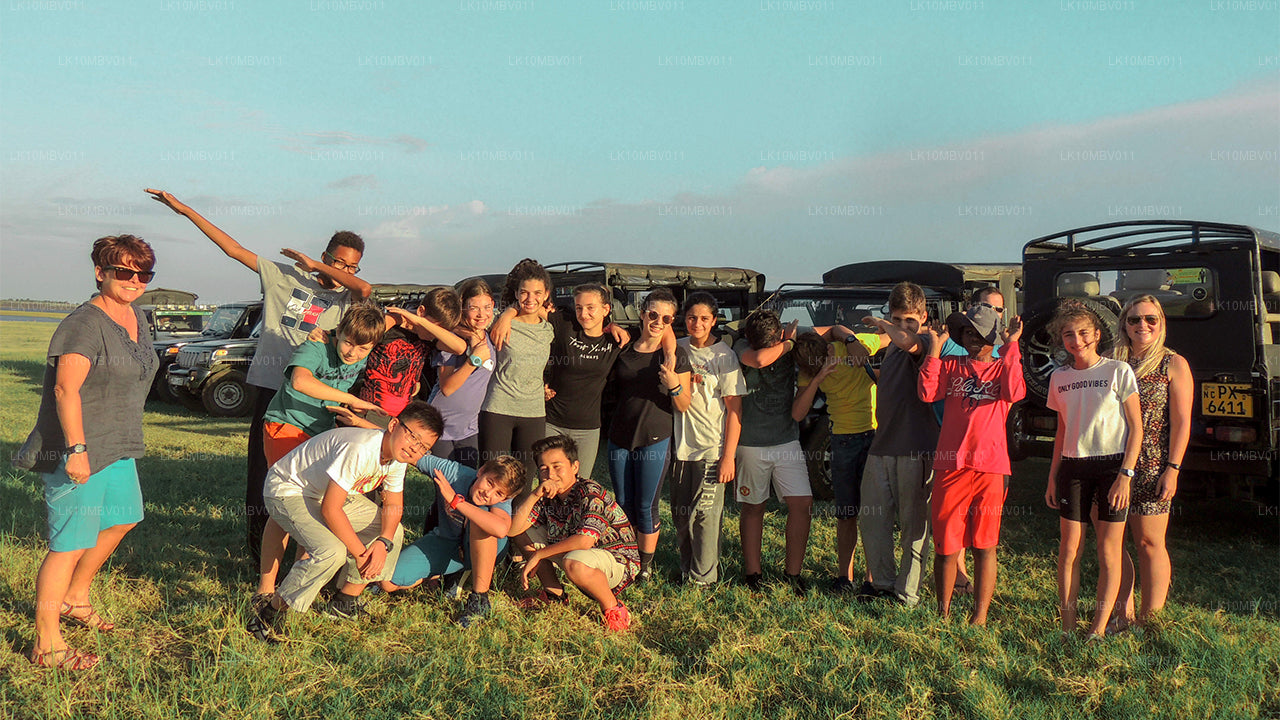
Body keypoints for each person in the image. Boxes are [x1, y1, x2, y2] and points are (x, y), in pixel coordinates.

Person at [146, 189, 372, 566]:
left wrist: (322, 269)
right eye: (339, 263)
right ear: (327, 253)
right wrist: (185, 211)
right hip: (274, 392)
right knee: (265, 478)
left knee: (310, 483)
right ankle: (260, 556)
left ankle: (307, 559)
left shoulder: (348, 297)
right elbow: (233, 250)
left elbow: (365, 290)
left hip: (317, 400)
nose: (345, 273)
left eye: (351, 267)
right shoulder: (283, 275)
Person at [15, 235, 159, 669]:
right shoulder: (84, 323)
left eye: (143, 273)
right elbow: (65, 388)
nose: (134, 281)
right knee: (68, 544)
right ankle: (47, 644)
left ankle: (75, 599)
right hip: (78, 447)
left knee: (123, 518)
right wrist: (77, 450)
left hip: (119, 444)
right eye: (124, 272)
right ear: (101, 272)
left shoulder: (136, 315)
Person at [247, 401, 444, 642]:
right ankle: (267, 616)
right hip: (288, 490)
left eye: (424, 447)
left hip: (321, 494)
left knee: (394, 531)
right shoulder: (361, 448)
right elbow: (331, 510)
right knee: (331, 551)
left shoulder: (396, 457)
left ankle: (344, 602)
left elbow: (393, 505)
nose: (415, 448)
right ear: (393, 425)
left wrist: (383, 542)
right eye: (414, 437)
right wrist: (361, 553)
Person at [254, 304, 387, 599]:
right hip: (287, 426)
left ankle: (301, 583)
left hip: (322, 436)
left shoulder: (363, 346)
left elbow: (392, 318)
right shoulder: (317, 344)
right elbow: (300, 381)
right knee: (285, 507)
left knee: (313, 507)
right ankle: (265, 589)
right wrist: (352, 399)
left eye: (362, 348)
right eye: (348, 343)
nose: (352, 353)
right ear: (338, 331)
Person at [917, 304, 1025, 625]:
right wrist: (935, 350)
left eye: (980, 333)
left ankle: (980, 616)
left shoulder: (1002, 367)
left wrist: (1012, 346)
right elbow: (926, 393)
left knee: (985, 543)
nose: (973, 338)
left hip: (990, 468)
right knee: (946, 544)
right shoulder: (952, 366)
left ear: (994, 335)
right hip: (951, 466)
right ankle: (943, 613)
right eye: (967, 332)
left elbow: (1015, 390)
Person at [1043, 300, 1142, 638]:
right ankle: (1068, 628)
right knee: (1069, 549)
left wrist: (1125, 476)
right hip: (1073, 467)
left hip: (1112, 467)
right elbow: (1061, 431)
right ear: (1061, 340)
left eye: (1083, 332)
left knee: (1108, 549)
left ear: (1097, 334)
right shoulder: (1059, 377)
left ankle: (1098, 629)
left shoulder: (1118, 371)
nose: (1077, 340)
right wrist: (1052, 477)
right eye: (1068, 334)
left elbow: (1136, 428)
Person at [1111, 295, 1191, 630]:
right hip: (1111, 461)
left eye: (1150, 319)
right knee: (1111, 543)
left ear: (1161, 323)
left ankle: (1151, 617)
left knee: (1149, 542)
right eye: (1134, 320)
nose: (1142, 326)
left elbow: (1182, 421)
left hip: (1153, 464)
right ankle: (1122, 611)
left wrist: (1172, 469)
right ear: (1124, 325)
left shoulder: (1173, 364)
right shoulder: (1112, 361)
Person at [857, 282, 940, 605]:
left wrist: (884, 326)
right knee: (873, 521)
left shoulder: (923, 341)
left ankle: (907, 594)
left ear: (923, 317)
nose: (903, 326)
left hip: (916, 449)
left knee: (913, 527)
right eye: (896, 318)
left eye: (910, 319)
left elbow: (909, 343)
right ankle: (882, 584)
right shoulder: (891, 344)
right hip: (882, 445)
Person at [508, 435, 639, 631]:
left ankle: (614, 609)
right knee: (525, 533)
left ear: (575, 467)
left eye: (557, 466)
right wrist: (535, 495)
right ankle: (554, 594)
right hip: (580, 555)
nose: (550, 474)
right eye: (544, 469)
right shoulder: (546, 495)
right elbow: (513, 530)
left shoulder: (590, 492)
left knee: (574, 562)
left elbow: (585, 541)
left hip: (616, 561)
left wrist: (539, 554)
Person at [607, 288, 692, 583]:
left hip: (655, 437)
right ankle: (625, 557)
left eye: (666, 318)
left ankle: (644, 566)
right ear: (643, 314)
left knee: (646, 504)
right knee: (622, 501)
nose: (658, 322)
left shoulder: (674, 356)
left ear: (672, 321)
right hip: (619, 435)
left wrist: (674, 386)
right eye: (653, 314)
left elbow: (683, 404)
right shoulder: (626, 346)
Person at [380, 454, 526, 627]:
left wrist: (455, 501)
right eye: (490, 483)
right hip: (447, 542)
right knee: (387, 583)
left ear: (505, 498)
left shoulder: (499, 503)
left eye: (499, 493)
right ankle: (443, 572)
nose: (489, 493)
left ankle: (479, 600)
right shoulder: (456, 473)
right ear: (481, 472)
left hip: (488, 550)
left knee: (483, 522)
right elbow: (411, 453)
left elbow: (501, 529)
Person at [791, 327, 879, 595]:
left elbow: (889, 336)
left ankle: (872, 580)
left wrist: (851, 340)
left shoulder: (851, 346)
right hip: (842, 440)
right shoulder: (810, 368)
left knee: (872, 513)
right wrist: (818, 378)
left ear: (829, 347)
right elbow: (797, 413)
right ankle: (844, 577)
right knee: (846, 513)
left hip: (873, 434)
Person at [670, 292, 746, 586]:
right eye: (691, 317)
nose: (697, 324)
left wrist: (728, 456)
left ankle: (704, 578)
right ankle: (686, 567)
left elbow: (735, 410)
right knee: (681, 515)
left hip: (711, 448)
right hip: (681, 446)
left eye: (704, 318)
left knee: (705, 517)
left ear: (714, 321)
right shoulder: (678, 348)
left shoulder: (724, 356)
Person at [734, 309, 812, 594]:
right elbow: (759, 359)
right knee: (754, 507)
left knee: (802, 503)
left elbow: (829, 330)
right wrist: (788, 343)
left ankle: (793, 574)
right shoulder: (743, 346)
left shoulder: (788, 339)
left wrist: (846, 334)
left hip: (786, 440)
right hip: (750, 442)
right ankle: (753, 573)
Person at [542, 283, 629, 478]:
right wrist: (505, 316)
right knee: (548, 481)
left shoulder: (616, 341)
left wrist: (613, 326)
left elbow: (659, 332)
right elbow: (529, 307)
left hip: (588, 428)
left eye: (591, 308)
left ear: (605, 309)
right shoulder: (566, 326)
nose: (584, 314)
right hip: (552, 421)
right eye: (579, 307)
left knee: (580, 485)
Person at [481, 259, 554, 483]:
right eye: (524, 292)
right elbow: (462, 320)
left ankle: (516, 519)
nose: (530, 299)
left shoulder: (549, 328)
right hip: (498, 408)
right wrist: (506, 315)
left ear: (546, 294)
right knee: (493, 477)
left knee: (525, 478)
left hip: (533, 411)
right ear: (516, 292)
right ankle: (484, 518)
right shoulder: (498, 321)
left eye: (537, 293)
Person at [359, 288, 465, 418]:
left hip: (403, 414)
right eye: (432, 328)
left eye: (437, 331)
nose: (433, 333)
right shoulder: (392, 327)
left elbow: (459, 348)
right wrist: (395, 319)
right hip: (371, 410)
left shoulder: (428, 338)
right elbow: (363, 337)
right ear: (421, 311)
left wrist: (421, 322)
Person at [428, 279, 497, 470]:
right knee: (445, 491)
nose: (481, 314)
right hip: (440, 426)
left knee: (465, 484)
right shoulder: (453, 340)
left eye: (487, 306)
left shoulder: (490, 336)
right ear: (462, 307)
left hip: (468, 429)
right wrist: (473, 360)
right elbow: (447, 388)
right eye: (473, 307)